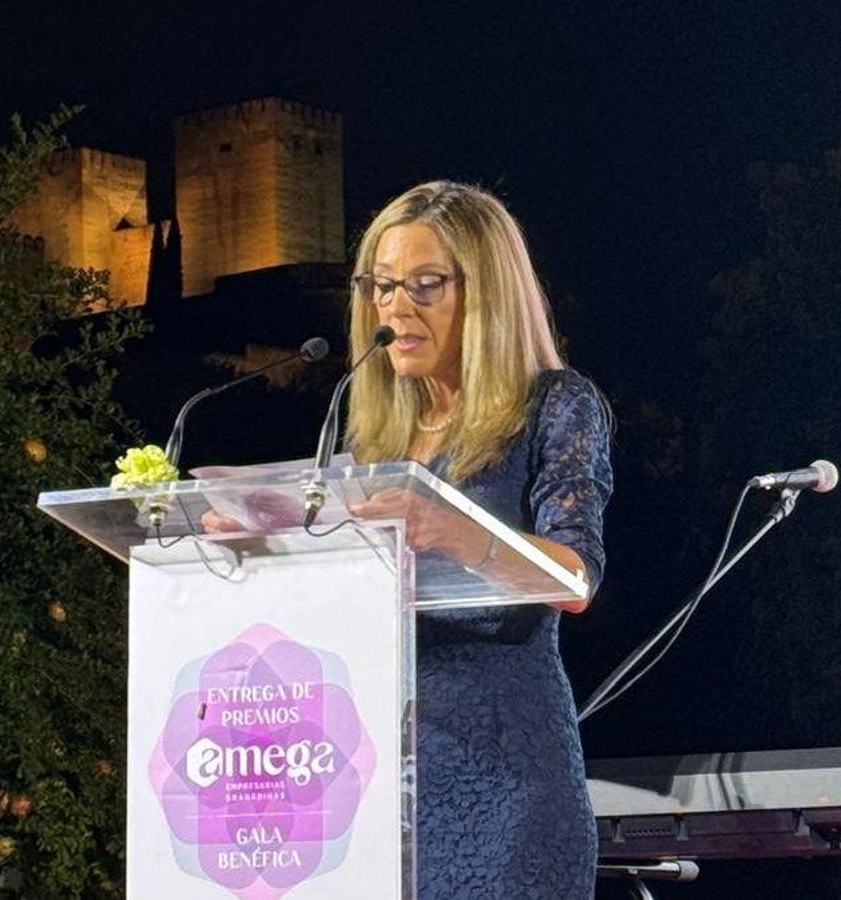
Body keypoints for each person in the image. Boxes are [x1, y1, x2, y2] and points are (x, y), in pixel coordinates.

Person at [342, 181, 613, 898]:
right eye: (382, 286)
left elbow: (576, 575)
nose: (395, 309)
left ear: (485, 292)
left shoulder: (554, 407)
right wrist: (254, 542)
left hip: (508, 786)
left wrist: (458, 532)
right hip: (382, 791)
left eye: (425, 286)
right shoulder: (373, 440)